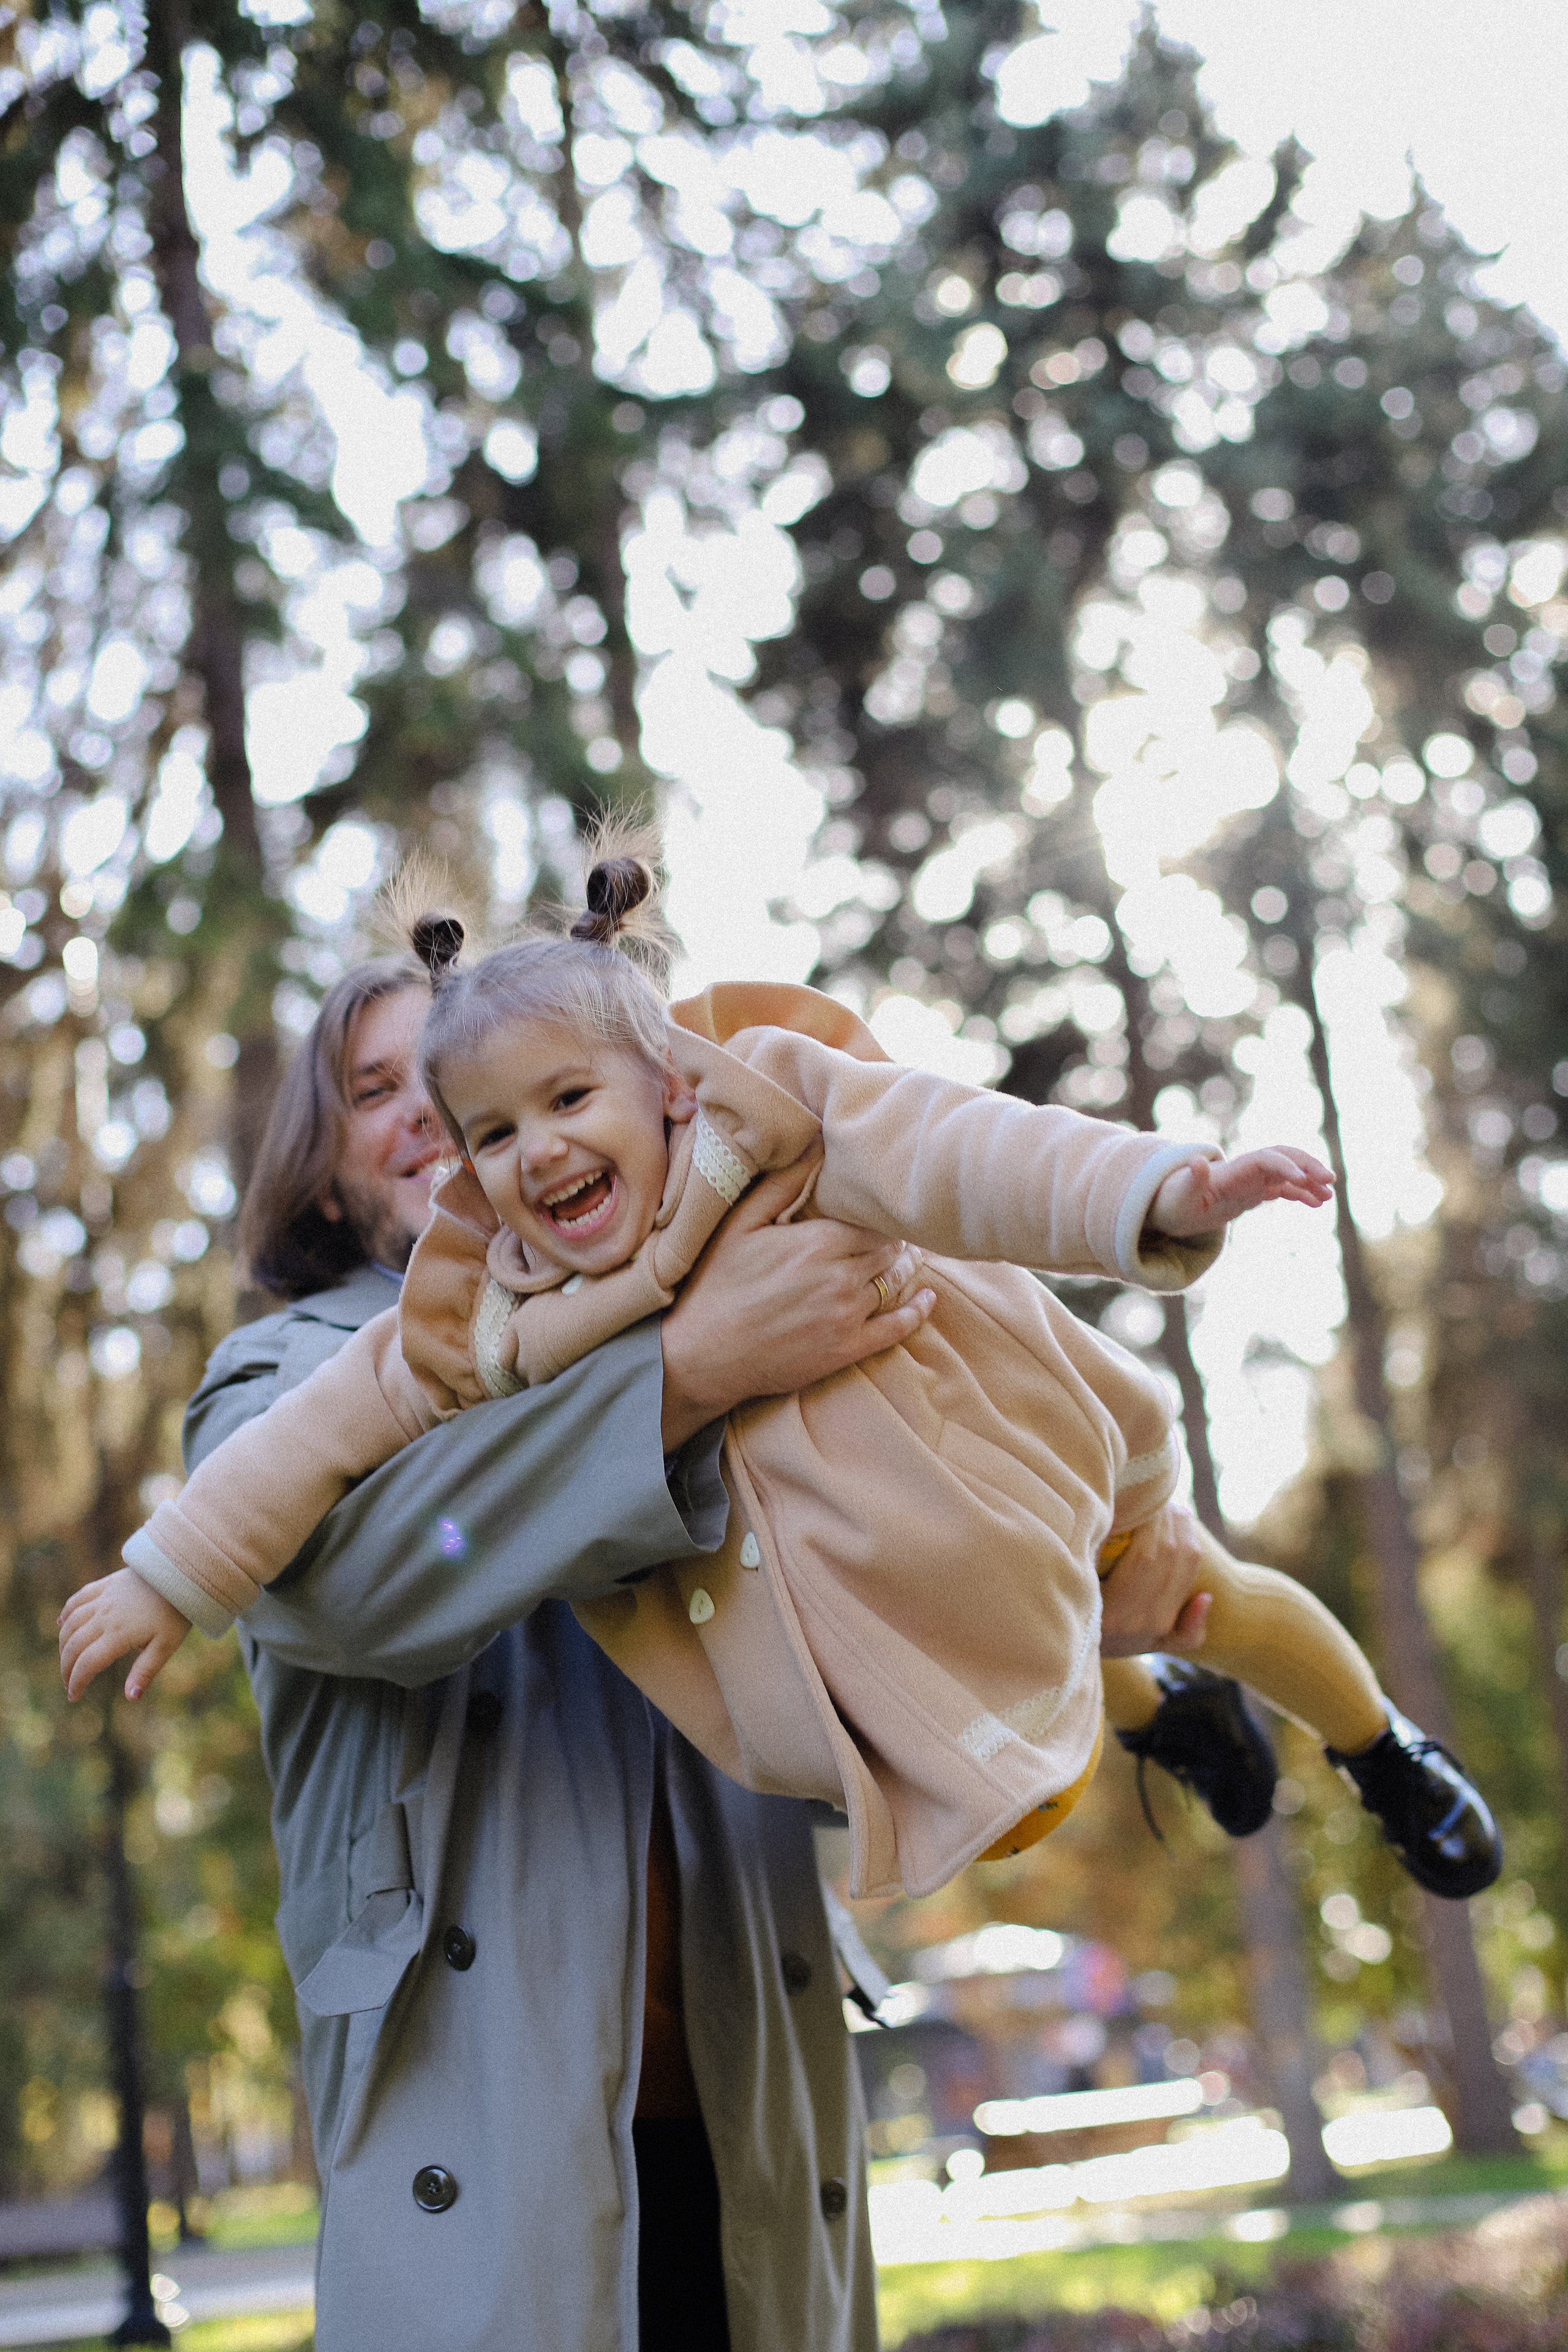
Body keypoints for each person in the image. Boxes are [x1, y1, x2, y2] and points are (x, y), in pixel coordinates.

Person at [63, 954, 1218, 2352]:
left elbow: (903, 1483)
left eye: (491, 1080)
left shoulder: (705, 1263)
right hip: (486, 2132)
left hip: (753, 2096)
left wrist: (1106, 1571)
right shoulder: (287, 1375)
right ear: (322, 1169)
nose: (439, 1115)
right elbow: (360, 1586)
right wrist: (684, 1375)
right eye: (384, 1091)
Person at [65, 843, 1500, 1906]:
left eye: (566, 1095)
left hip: (1003, 1444)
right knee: (999, 1723)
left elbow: (966, 1148)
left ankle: (1379, 1745)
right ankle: (1147, 1699)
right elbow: (317, 1465)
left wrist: (1164, 1192)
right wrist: (165, 1572)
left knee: (1205, 1596)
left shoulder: (766, 1121)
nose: (517, 1147)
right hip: (884, 1579)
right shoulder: (460, 1321)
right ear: (355, 1156)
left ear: (660, 1077)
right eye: (458, 1119)